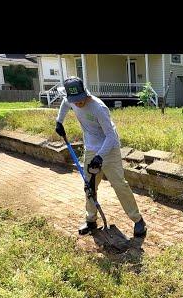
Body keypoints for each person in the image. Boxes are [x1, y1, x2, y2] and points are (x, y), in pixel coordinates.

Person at [55, 77, 146, 237]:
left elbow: (112, 136)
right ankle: (91, 221)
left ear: (85, 93)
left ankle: (138, 221)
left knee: (120, 185)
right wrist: (59, 121)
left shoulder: (98, 108)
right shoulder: (71, 100)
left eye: (80, 99)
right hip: (91, 149)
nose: (78, 103)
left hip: (109, 149)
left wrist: (100, 156)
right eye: (74, 101)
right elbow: (64, 103)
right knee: (89, 187)